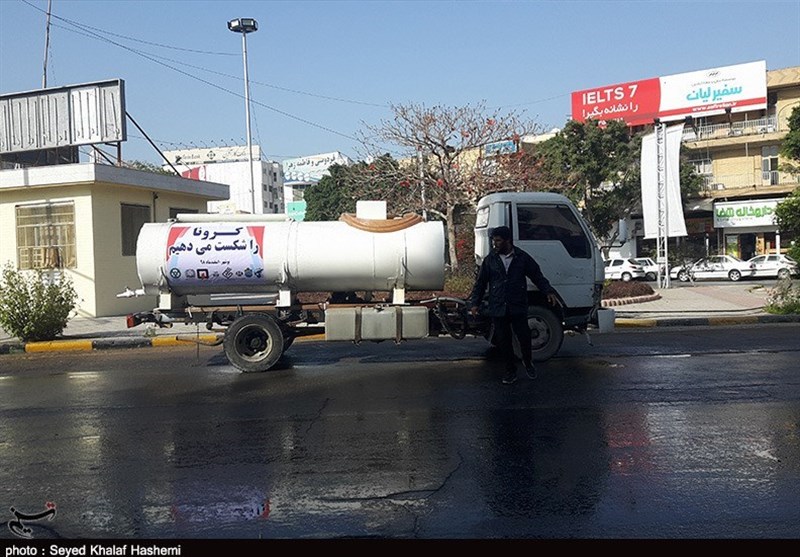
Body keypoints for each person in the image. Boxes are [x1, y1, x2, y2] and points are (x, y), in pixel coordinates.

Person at [469, 225, 561, 385]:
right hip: (498, 306)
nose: (495, 244)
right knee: (504, 341)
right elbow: (481, 283)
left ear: (507, 241)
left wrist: (548, 291)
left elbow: (537, 276)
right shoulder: (490, 260)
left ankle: (527, 361)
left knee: (524, 337)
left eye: (498, 240)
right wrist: (474, 303)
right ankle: (510, 371)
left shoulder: (522, 258)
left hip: (517, 305)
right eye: (493, 241)